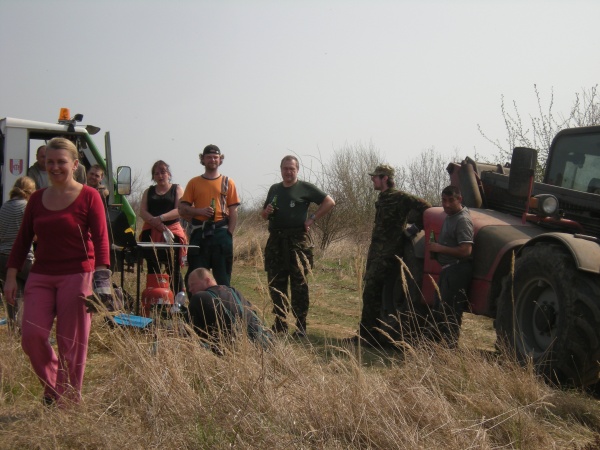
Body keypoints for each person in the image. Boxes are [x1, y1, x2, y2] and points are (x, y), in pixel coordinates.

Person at [3, 137, 110, 407]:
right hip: (41, 273)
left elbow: (101, 239)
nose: (54, 167)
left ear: (74, 164)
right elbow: (22, 240)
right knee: (31, 336)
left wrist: (102, 280)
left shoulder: (90, 196)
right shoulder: (36, 199)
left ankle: (68, 402)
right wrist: (11, 276)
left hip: (77, 273)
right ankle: (54, 387)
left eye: (61, 162)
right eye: (49, 162)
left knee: (70, 341)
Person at [347, 164, 430, 347]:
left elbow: (426, 208)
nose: (372, 179)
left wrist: (415, 228)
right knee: (374, 293)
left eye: (375, 177)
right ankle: (372, 335)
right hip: (377, 251)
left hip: (389, 252)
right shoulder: (383, 197)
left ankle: (368, 336)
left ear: (385, 178)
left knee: (371, 292)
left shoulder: (400, 197)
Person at [261, 155, 335, 337]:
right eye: (285, 168)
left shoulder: (305, 188)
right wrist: (266, 212)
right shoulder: (275, 189)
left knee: (299, 284)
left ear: (297, 170)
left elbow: (329, 202)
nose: (288, 172)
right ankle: (280, 323)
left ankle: (301, 325)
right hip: (276, 241)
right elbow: (264, 215)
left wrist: (312, 218)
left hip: (297, 241)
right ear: (281, 169)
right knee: (276, 283)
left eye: (291, 169)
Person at [179, 145, 240, 287]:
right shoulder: (194, 182)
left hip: (221, 233)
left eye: (215, 157)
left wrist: (229, 233)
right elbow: (183, 208)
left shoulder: (228, 182)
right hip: (199, 233)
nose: (212, 160)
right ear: (203, 159)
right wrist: (199, 211)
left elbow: (233, 211)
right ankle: (199, 301)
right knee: (197, 275)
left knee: (223, 278)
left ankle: (222, 301)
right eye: (209, 157)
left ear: (220, 159)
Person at [429, 185, 474, 347]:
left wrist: (439, 248)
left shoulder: (462, 220)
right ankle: (437, 348)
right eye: (443, 200)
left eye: (450, 200)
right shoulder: (450, 216)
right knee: (440, 310)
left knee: (451, 312)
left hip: (457, 269)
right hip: (448, 269)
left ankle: (449, 348)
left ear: (459, 199)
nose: (446, 204)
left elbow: (466, 250)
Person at [186, 267, 271, 348]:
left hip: (233, 349)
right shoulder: (233, 291)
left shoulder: (198, 297)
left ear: (207, 280)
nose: (190, 289)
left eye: (192, 284)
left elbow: (191, 333)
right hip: (262, 344)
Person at [139, 160, 187, 294]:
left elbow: (179, 210)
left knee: (173, 268)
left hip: (172, 233)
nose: (160, 176)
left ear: (169, 174)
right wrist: (156, 223)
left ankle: (177, 299)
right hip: (151, 233)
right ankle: (155, 297)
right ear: (153, 176)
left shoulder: (177, 189)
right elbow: (142, 211)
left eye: (163, 172)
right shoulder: (148, 191)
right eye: (156, 173)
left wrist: (161, 219)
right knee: (152, 267)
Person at [0, 176, 36, 330]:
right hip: (23, 258)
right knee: (38, 293)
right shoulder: (26, 207)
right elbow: (35, 234)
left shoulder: (4, 207)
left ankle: (15, 331)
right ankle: (34, 329)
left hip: (3, 257)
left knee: (14, 298)